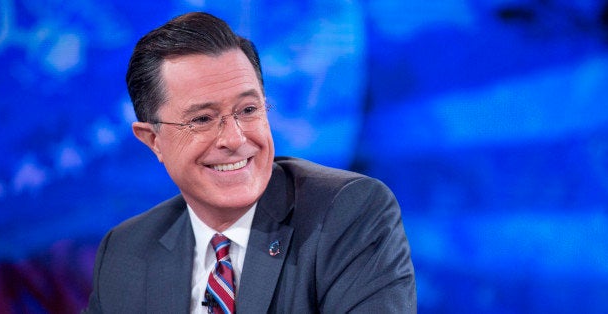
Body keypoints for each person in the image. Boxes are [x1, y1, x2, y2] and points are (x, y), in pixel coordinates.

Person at [84, 12, 416, 313]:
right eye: (202, 119)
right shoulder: (125, 252)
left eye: (248, 110)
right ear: (153, 139)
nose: (236, 138)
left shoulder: (347, 214)